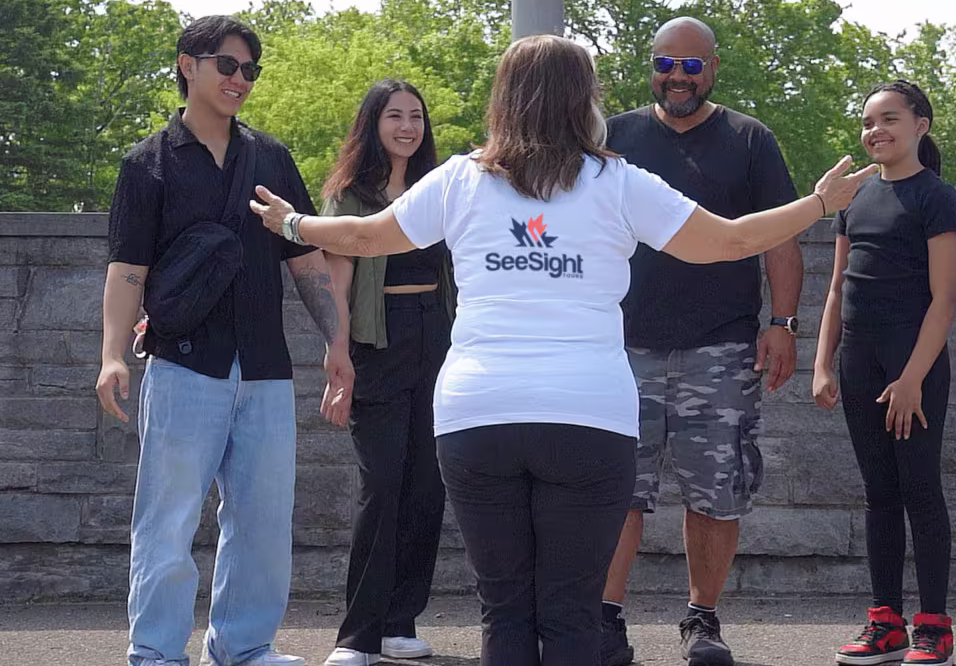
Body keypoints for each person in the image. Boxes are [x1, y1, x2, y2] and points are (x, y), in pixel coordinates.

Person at [249, 34, 875, 666]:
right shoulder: (618, 182)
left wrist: (292, 224)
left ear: (505, 98)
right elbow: (731, 241)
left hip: (476, 417)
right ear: (584, 99)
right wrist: (819, 204)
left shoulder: (460, 180)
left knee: (505, 608)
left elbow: (364, 235)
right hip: (588, 418)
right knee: (572, 611)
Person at [95, 15, 354, 666]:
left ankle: (243, 647)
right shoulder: (147, 164)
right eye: (227, 66)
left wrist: (337, 342)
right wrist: (110, 355)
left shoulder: (271, 158)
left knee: (263, 523)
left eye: (250, 71)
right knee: (168, 519)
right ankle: (155, 652)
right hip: (184, 366)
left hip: (265, 367)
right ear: (188, 65)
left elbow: (306, 261)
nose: (240, 80)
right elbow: (128, 270)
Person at [601, 16, 805, 666]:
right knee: (616, 488)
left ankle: (703, 621)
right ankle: (604, 620)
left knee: (716, 491)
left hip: (720, 348)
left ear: (712, 69)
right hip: (622, 348)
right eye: (667, 64)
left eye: (691, 66)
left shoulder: (750, 139)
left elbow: (779, 238)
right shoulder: (614, 138)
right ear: (651, 66)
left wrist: (783, 324)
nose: (677, 78)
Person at [813, 81, 956, 666]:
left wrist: (911, 379)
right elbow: (835, 289)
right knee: (879, 495)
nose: (876, 130)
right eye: (868, 121)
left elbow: (946, 298)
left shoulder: (935, 196)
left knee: (920, 491)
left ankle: (934, 628)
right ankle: (885, 623)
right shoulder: (854, 198)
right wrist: (822, 363)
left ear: (920, 125)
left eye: (889, 119)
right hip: (859, 362)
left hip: (913, 365)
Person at [318, 80, 453, 666]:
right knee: (383, 485)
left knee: (429, 483)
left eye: (416, 116)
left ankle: (401, 621)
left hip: (439, 338)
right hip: (379, 340)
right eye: (395, 115)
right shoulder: (350, 195)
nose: (407, 126)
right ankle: (358, 636)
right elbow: (336, 284)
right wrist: (337, 352)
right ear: (372, 123)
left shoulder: (440, 189)